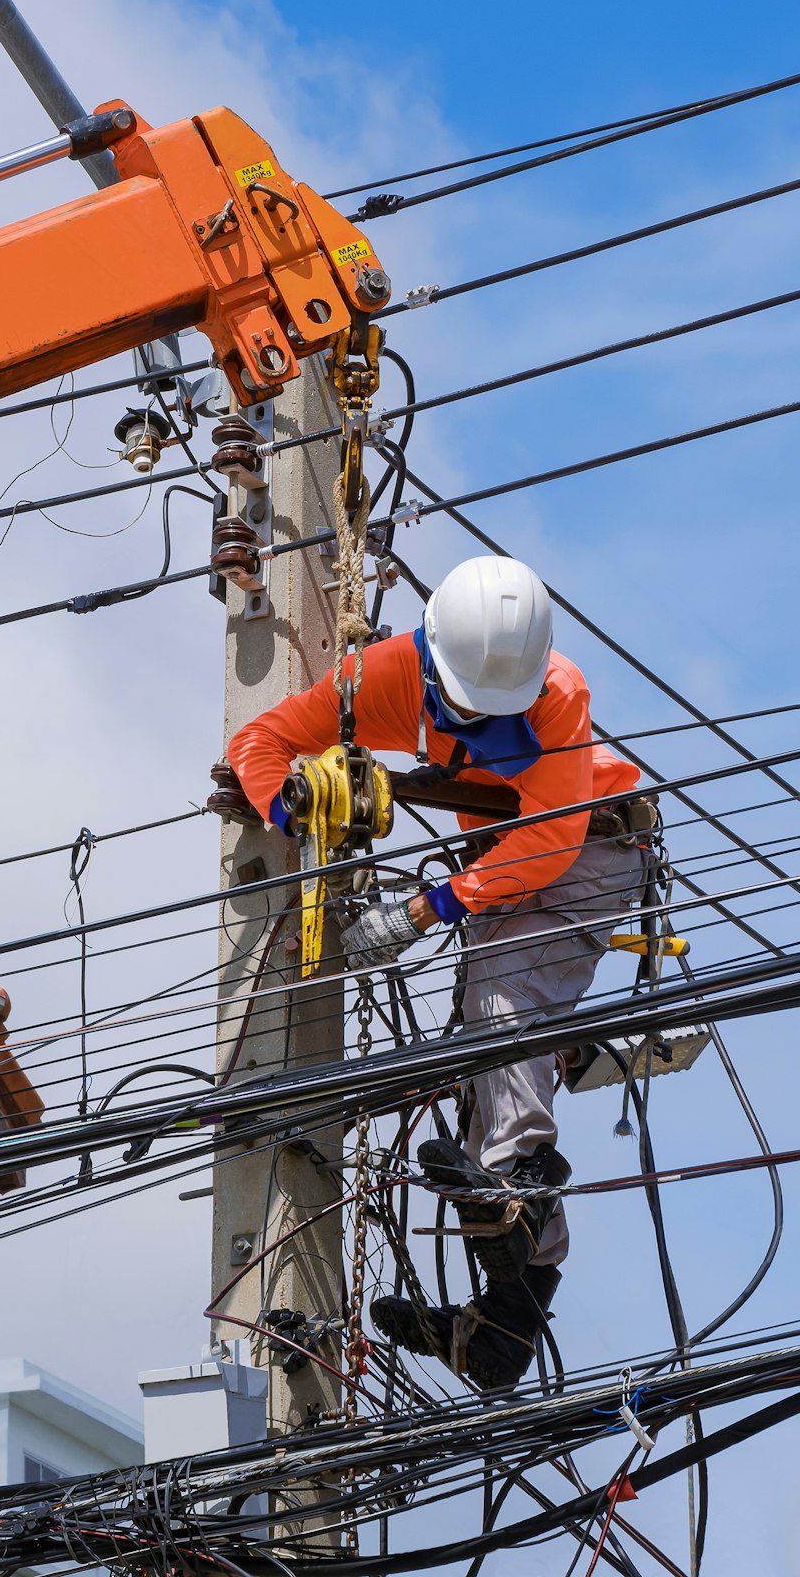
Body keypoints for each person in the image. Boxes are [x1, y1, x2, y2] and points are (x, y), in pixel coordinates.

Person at [226, 555, 650, 1391]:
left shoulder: (558, 690)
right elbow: (261, 741)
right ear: (430, 664)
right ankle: (503, 1326)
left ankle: (517, 1184)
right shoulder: (378, 679)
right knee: (484, 1056)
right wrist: (290, 804)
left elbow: (552, 842)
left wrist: (429, 909)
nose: (488, 721)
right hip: (503, 865)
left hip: (591, 852)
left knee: (500, 992)